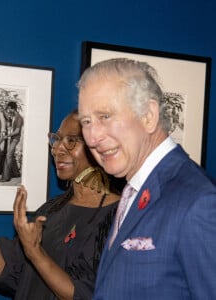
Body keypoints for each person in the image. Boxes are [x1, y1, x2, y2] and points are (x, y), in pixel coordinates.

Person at [77, 58, 216, 299]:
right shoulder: (135, 189)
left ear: (149, 116)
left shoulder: (199, 202)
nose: (92, 137)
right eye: (86, 122)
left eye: (105, 116)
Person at [0, 109, 121, 300]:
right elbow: (12, 271)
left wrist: (35, 253)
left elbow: (86, 295)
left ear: (99, 147)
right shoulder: (51, 210)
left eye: (71, 141)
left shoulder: (117, 218)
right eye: (56, 139)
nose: (57, 149)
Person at [0, 101, 23, 182]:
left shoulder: (19, 118)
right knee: (11, 155)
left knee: (8, 155)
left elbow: (17, 131)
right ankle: (16, 174)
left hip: (15, 138)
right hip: (13, 138)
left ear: (13, 109)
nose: (8, 110)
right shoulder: (14, 116)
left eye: (9, 109)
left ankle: (5, 177)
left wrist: (6, 136)